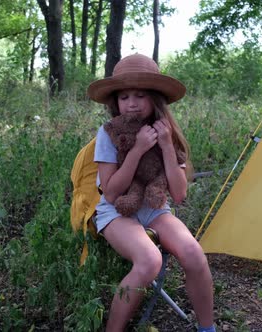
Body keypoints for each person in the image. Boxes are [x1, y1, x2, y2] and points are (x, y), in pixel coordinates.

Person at [87, 53, 215, 332]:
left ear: (154, 99)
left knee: (193, 252)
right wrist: (138, 149)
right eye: (124, 97)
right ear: (115, 102)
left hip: (154, 208)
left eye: (140, 96)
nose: (131, 103)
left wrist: (167, 145)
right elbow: (110, 193)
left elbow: (179, 195)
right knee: (149, 260)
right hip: (116, 209)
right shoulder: (108, 133)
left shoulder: (166, 130)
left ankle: (208, 328)